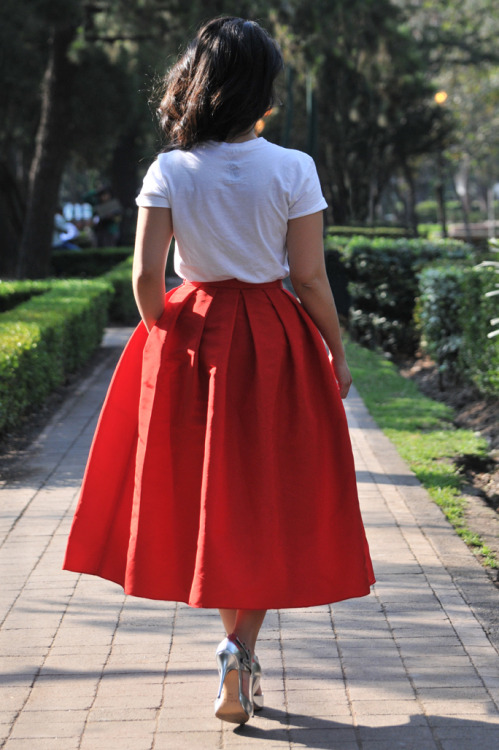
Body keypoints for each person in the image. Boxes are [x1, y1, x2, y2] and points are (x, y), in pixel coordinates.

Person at [63, 17, 375, 725]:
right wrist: (335, 349)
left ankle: (231, 649)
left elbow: (144, 275)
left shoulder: (170, 168)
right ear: (263, 85)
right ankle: (239, 650)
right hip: (273, 337)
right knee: (261, 496)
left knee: (207, 493)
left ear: (196, 82)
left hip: (192, 335)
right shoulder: (292, 167)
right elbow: (309, 277)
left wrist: (161, 335)